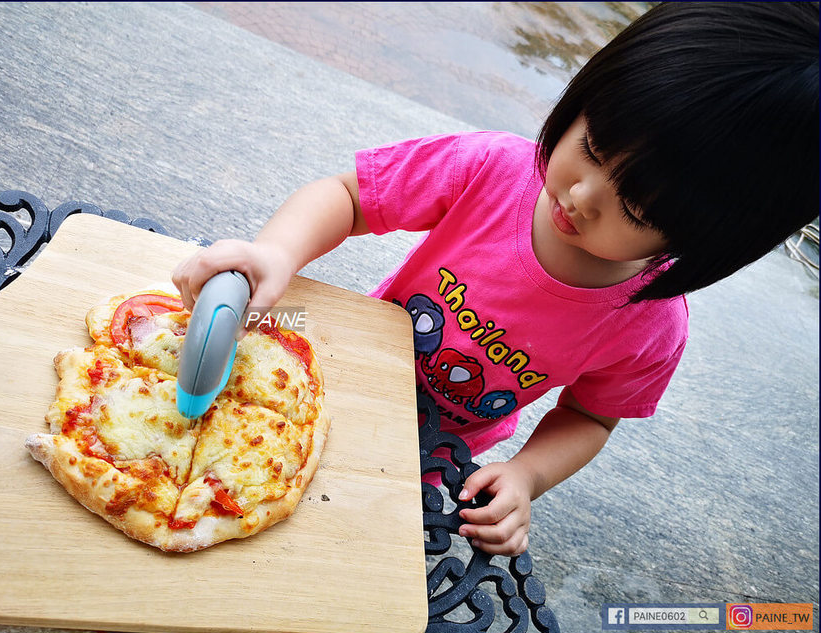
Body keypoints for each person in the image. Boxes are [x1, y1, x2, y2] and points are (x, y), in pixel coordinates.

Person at [173, 2, 819, 556]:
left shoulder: (650, 327)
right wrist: (277, 252)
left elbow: (590, 418)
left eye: (635, 208)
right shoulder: (490, 169)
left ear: (709, 242)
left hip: (424, 456)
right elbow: (349, 197)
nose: (582, 196)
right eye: (592, 146)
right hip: (330, 369)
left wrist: (527, 475)